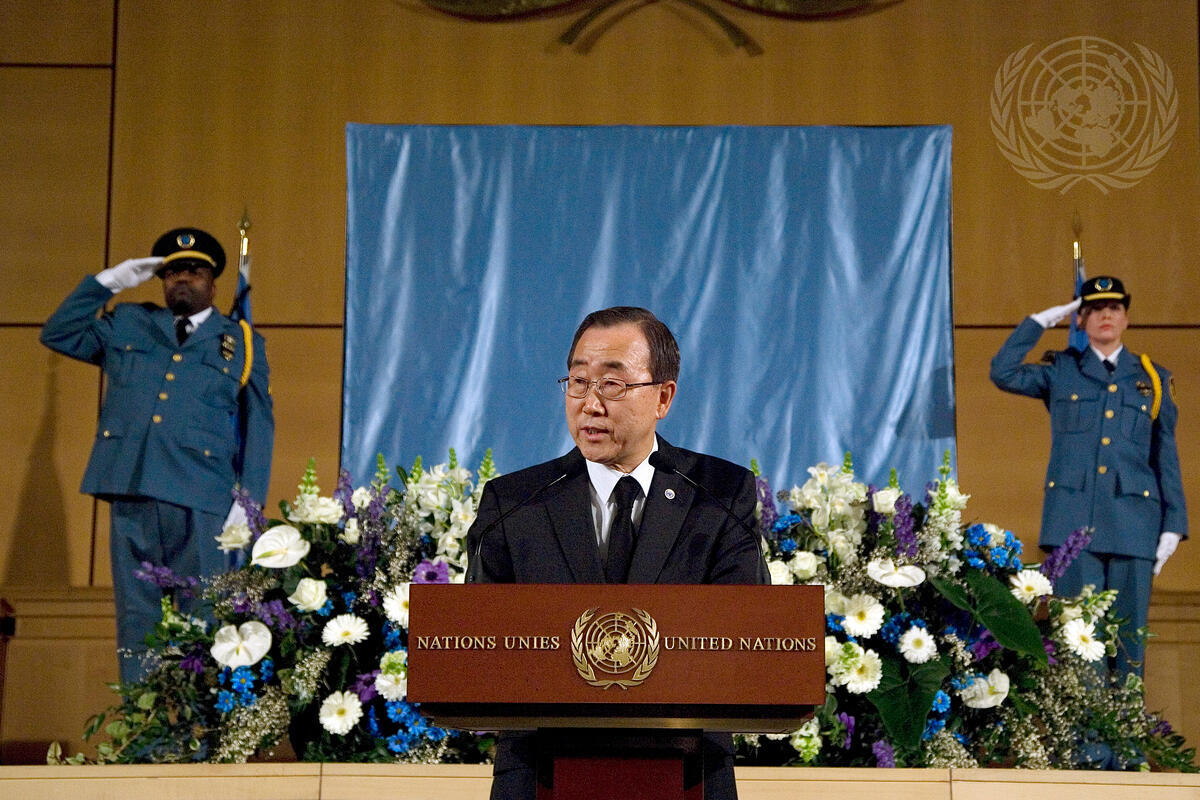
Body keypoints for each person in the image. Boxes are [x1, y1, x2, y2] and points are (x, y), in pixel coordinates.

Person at [466, 306, 766, 800]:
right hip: (540, 772)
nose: (590, 403)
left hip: (687, 768)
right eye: (578, 381)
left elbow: (747, 638)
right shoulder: (514, 503)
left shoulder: (719, 495)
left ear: (663, 397)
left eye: (612, 384)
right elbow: (479, 647)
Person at [41, 227, 274, 683]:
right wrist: (107, 283)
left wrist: (248, 502)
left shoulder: (241, 342)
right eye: (171, 272)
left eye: (194, 270)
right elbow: (59, 332)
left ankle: (199, 725)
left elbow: (259, 425)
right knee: (137, 616)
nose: (182, 279)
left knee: (203, 617)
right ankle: (141, 723)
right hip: (132, 487)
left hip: (202, 497)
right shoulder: (129, 322)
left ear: (213, 282)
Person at [990, 276, 1186, 674]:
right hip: (1073, 522)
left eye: (1114, 308)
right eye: (1094, 309)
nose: (1105, 316)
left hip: (1135, 524)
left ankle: (1127, 718)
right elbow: (1003, 372)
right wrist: (1039, 321)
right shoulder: (1062, 371)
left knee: (1129, 644)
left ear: (1126, 318)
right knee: (1078, 642)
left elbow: (1165, 455)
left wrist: (1174, 523)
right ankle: (1086, 721)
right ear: (1079, 320)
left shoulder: (1152, 378)